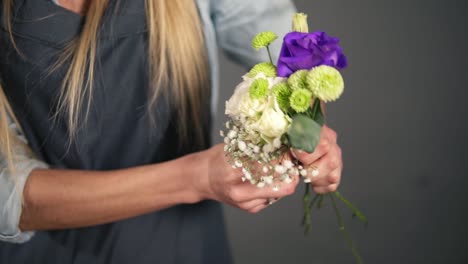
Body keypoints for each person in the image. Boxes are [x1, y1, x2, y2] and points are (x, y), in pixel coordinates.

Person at [0, 0, 344, 263]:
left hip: (187, 247)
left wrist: (305, 127)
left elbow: (293, 52)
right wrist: (199, 177)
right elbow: (8, 196)